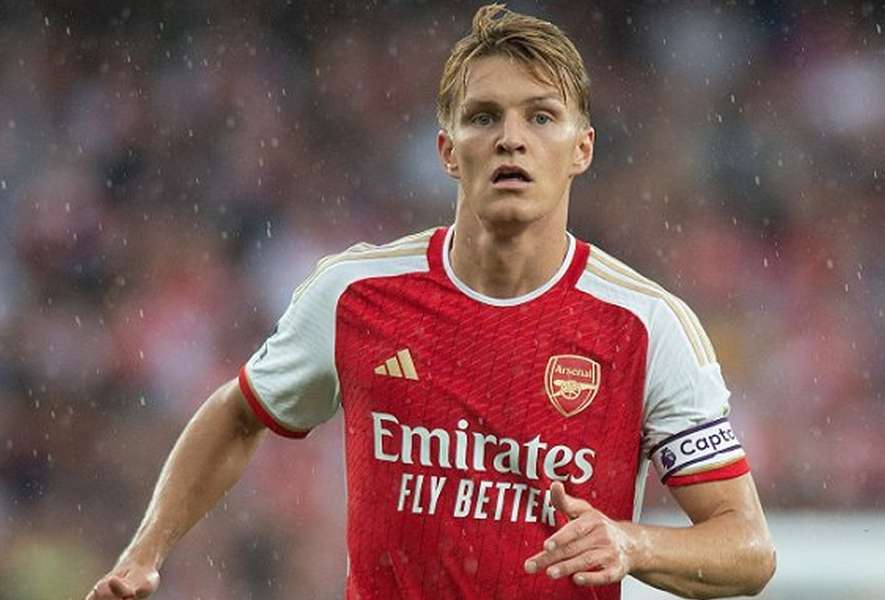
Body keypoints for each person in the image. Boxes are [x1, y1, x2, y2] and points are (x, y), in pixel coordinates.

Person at [87, 4, 775, 599]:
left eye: (541, 116)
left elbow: (747, 550)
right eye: (484, 117)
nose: (512, 137)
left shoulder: (646, 327)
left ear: (581, 149)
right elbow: (239, 415)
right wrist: (143, 552)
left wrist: (633, 544)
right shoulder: (356, 295)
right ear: (448, 150)